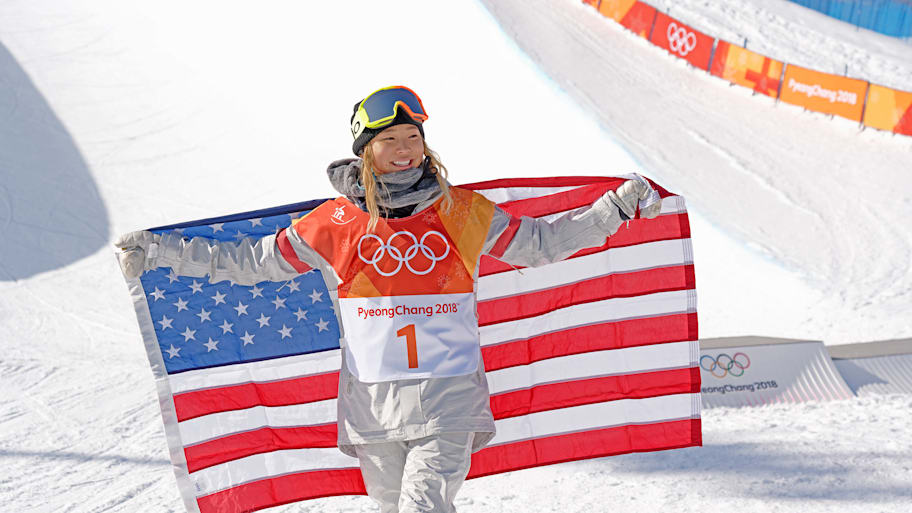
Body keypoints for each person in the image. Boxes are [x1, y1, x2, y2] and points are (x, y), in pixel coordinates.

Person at [115, 85, 661, 513]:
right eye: (390, 141)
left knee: (423, 507)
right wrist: (163, 253)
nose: (404, 151)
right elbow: (255, 263)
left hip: (448, 400)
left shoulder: (461, 211)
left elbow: (541, 245)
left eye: (413, 139)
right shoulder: (336, 222)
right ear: (365, 151)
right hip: (373, 410)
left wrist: (617, 208)